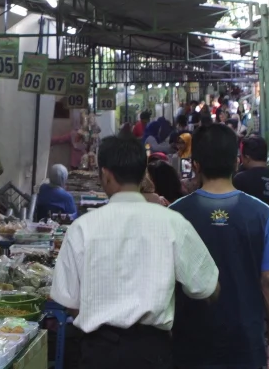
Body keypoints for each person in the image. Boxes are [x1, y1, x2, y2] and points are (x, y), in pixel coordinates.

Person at [51, 134, 220, 369]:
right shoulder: (172, 222)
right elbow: (208, 288)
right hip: (151, 352)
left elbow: (70, 301)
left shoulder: (82, 228)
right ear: (143, 175)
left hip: (98, 353)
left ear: (106, 175)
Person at [169, 125, 269, 369]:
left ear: (195, 165)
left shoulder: (174, 214)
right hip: (245, 341)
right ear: (236, 162)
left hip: (189, 342)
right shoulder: (262, 214)